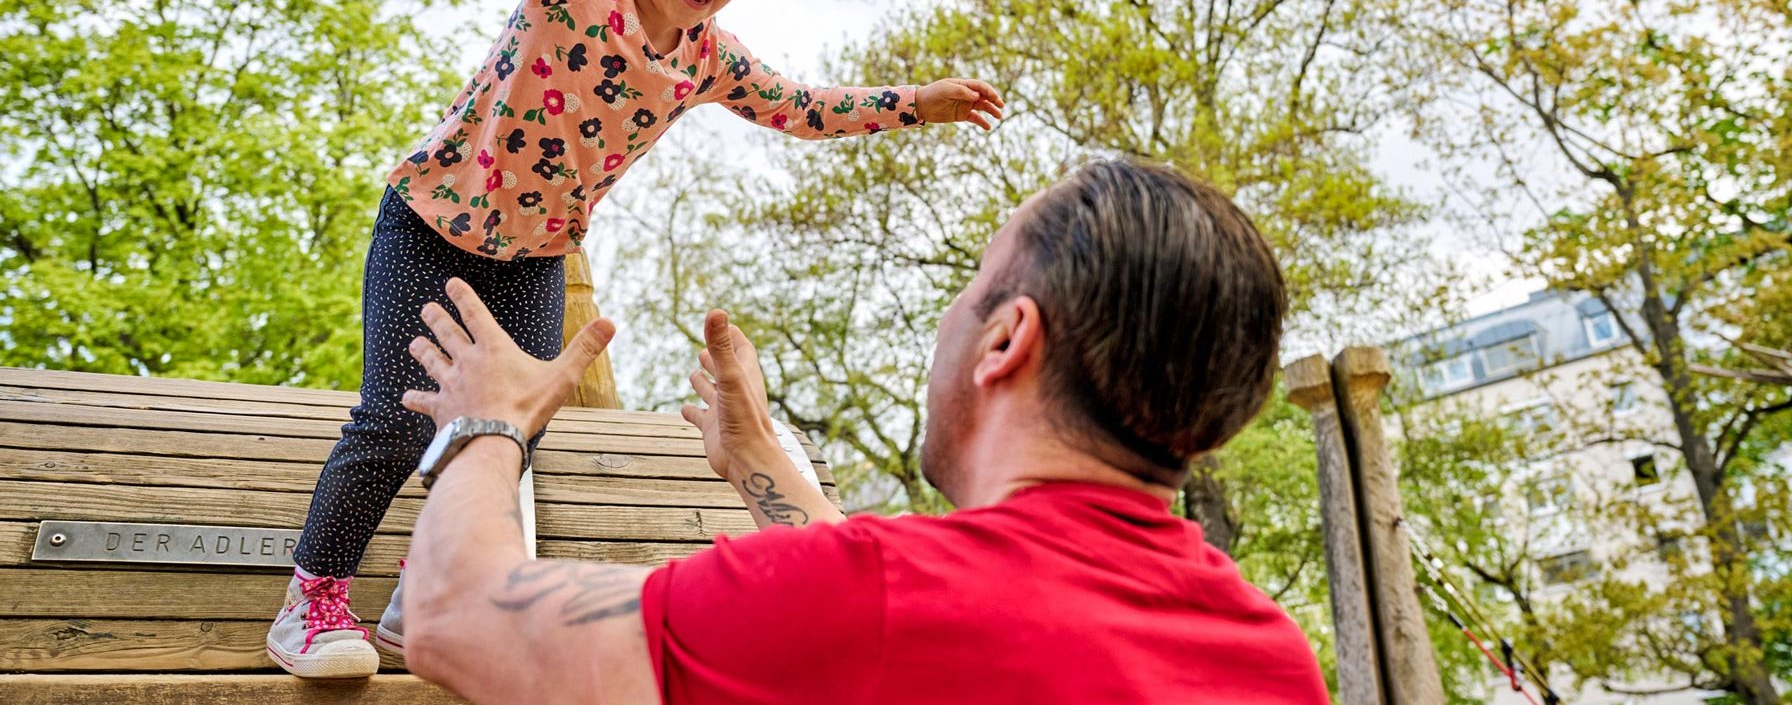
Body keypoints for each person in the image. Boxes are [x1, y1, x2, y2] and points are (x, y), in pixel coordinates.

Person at [266, 0, 1005, 679]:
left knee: (505, 430)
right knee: (392, 419)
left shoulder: (707, 60)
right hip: (432, 225)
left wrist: (917, 102)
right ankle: (309, 605)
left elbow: (804, 107)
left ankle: (423, 595)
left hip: (533, 258)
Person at [397, 159, 1330, 703]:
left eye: (970, 287)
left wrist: (488, 419)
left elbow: (458, 617)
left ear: (1007, 338)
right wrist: (763, 464)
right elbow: (924, 623)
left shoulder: (874, 599)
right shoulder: (1271, 657)